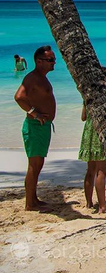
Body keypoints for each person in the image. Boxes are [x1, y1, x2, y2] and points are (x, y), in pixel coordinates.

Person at [14, 45, 57, 211]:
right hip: (35, 127)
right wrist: (35, 114)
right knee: (34, 164)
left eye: (54, 59)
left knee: (38, 164)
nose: (54, 62)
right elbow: (19, 97)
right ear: (39, 62)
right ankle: (30, 204)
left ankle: (33, 199)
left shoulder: (41, 77)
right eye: (50, 60)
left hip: (42, 127)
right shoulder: (32, 78)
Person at [78, 66, 106, 214]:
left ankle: (89, 203)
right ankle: (103, 206)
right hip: (99, 131)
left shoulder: (87, 95)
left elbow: (83, 117)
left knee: (90, 170)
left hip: (88, 132)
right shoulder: (104, 95)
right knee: (102, 171)